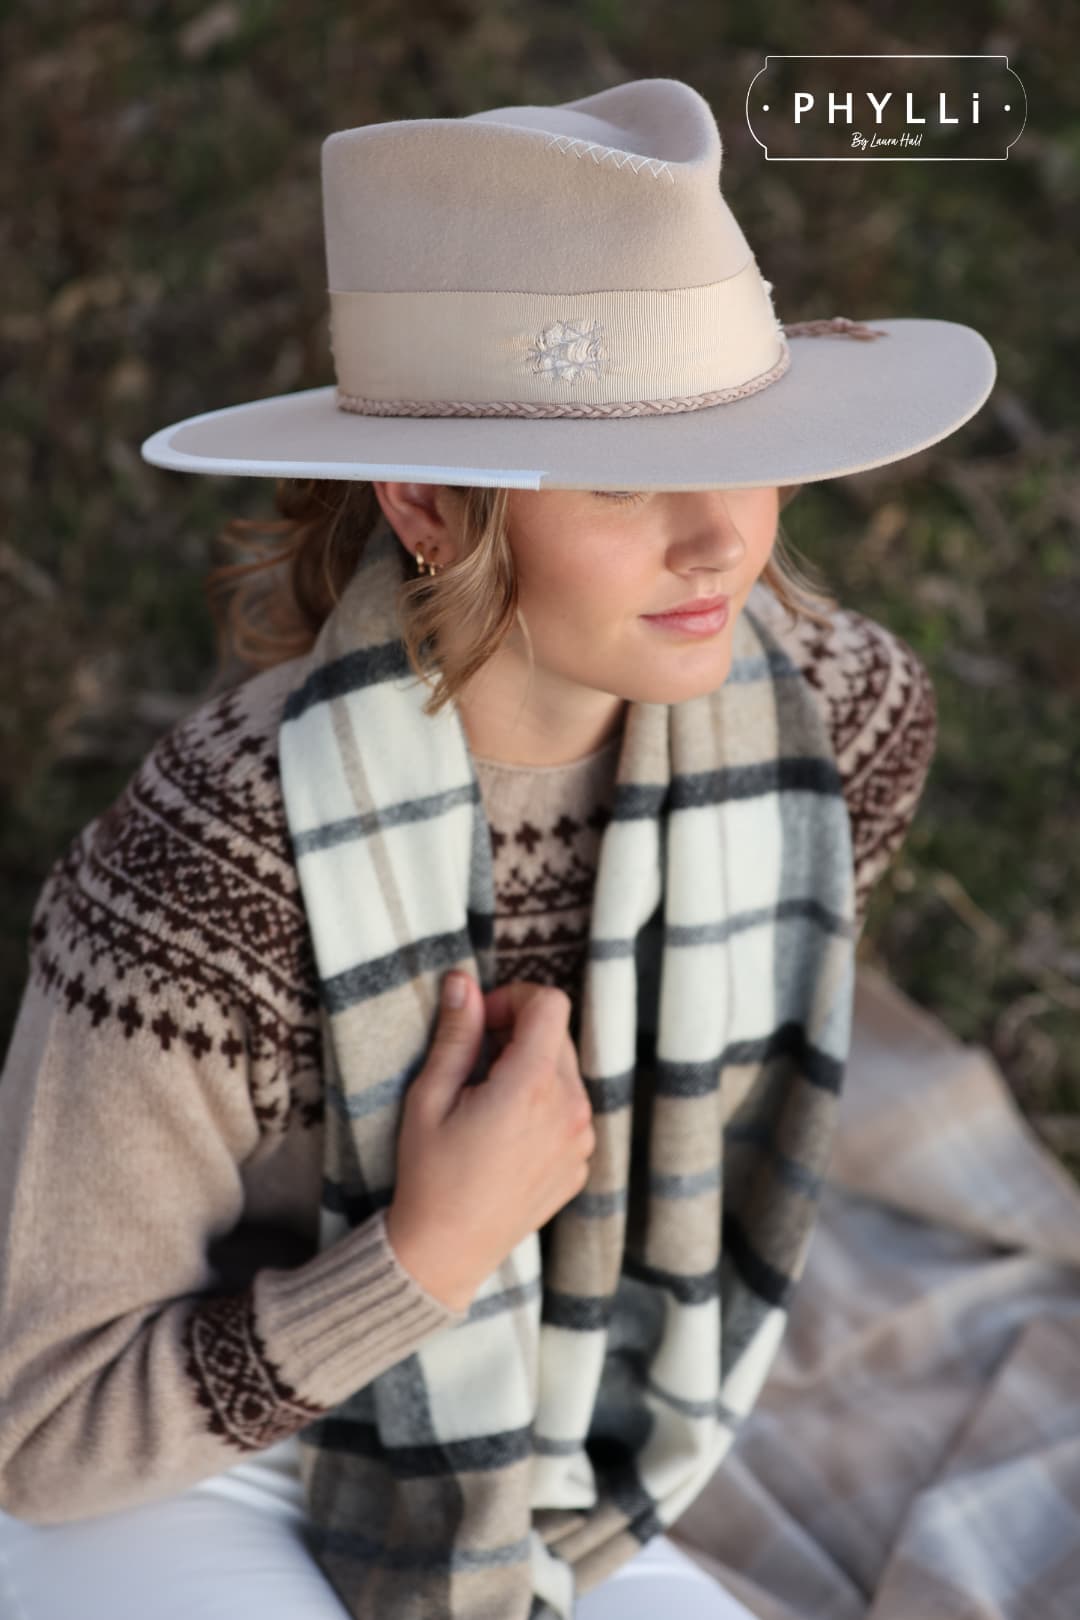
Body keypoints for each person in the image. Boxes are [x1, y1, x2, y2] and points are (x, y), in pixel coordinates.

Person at [0, 76, 995, 1620]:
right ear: (429, 504)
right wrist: (424, 1251)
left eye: (743, 446)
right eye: (623, 480)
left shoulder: (835, 732)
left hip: (565, 1441)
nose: (724, 542)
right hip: (196, 1446)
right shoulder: (208, 873)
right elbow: (42, 1427)